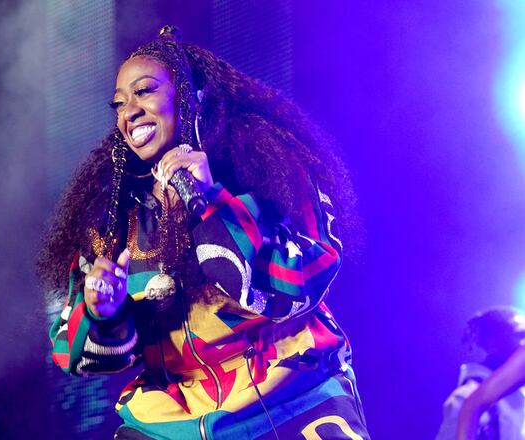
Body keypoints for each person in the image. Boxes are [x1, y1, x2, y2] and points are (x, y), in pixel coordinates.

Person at [39, 26, 368, 439]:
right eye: (119, 104)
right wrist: (103, 312)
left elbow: (293, 287)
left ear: (192, 97)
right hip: (170, 422)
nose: (129, 112)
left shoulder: (269, 172)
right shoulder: (111, 219)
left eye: (144, 91)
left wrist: (209, 200)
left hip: (291, 403)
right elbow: (74, 353)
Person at [435, 307, 525, 440]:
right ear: (494, 342)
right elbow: (472, 406)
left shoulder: (517, 399)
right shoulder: (465, 396)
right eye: (521, 335)